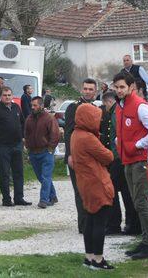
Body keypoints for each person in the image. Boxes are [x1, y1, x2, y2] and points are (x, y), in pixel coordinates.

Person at [112, 72, 148, 259]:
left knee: (140, 201)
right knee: (138, 201)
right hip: (128, 159)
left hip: (139, 160)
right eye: (116, 87)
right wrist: (119, 141)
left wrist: (137, 145)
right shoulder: (120, 106)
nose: (119, 90)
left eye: (122, 87)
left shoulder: (140, 106)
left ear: (131, 87)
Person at [70, 103, 115, 270]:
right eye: (96, 118)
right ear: (88, 118)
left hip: (85, 183)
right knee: (99, 222)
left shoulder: (76, 134)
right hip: (96, 182)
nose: (99, 121)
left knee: (90, 219)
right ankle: (98, 259)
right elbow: (108, 157)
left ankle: (89, 256)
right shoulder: (88, 138)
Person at [99, 91, 140, 236]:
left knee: (113, 191)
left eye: (104, 104)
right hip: (120, 158)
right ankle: (130, 224)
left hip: (118, 159)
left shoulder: (116, 113)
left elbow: (117, 136)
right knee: (125, 191)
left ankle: (116, 224)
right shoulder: (117, 111)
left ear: (108, 102)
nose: (104, 107)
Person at [0, 86, 31, 207]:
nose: (7, 97)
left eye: (9, 95)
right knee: (5, 173)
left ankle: (19, 198)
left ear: (12, 96)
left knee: (18, 172)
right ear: (0, 96)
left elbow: (22, 123)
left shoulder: (16, 107)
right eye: (5, 95)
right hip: (2, 147)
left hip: (17, 145)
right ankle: (6, 199)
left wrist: (23, 137)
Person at [64, 78, 98, 233]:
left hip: (90, 157)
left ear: (95, 91)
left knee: (90, 190)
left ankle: (91, 222)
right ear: (81, 90)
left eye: (91, 89)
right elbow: (69, 133)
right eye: (85, 89)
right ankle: (84, 226)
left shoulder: (95, 108)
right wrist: (70, 155)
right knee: (80, 190)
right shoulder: (74, 107)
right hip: (76, 156)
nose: (88, 92)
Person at [24, 96, 60, 208]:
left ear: (41, 106)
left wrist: (50, 149)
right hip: (33, 152)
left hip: (46, 152)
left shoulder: (49, 118)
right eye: (32, 105)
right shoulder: (29, 119)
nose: (33, 107)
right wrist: (28, 148)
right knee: (42, 177)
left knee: (45, 177)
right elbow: (26, 134)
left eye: (35, 105)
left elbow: (55, 135)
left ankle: (44, 200)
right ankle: (53, 196)